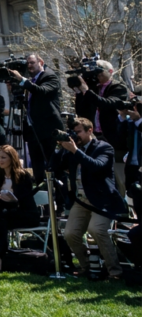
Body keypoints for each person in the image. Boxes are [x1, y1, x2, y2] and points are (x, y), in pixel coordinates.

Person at [56, 117, 128, 280]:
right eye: (74, 132)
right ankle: (88, 266)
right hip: (81, 200)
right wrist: (59, 148)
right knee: (70, 233)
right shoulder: (74, 149)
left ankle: (115, 271)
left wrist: (75, 151)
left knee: (97, 230)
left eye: (79, 132)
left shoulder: (104, 147)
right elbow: (55, 167)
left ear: (90, 131)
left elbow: (97, 166)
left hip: (102, 200)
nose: (76, 136)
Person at [71, 60, 130, 195]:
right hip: (95, 137)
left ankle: (121, 206)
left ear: (110, 72)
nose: (97, 75)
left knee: (118, 176)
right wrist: (80, 91)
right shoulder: (93, 88)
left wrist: (87, 90)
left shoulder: (118, 87)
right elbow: (81, 111)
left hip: (114, 138)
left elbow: (107, 104)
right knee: (97, 171)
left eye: (100, 71)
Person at [8, 53, 64, 183]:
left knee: (54, 167)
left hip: (48, 130)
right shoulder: (30, 80)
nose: (29, 66)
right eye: (27, 63)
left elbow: (41, 91)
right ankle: (42, 196)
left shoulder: (49, 76)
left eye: (32, 63)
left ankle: (60, 200)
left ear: (41, 62)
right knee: (37, 167)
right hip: (33, 131)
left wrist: (22, 79)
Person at [118, 98, 142, 189]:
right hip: (130, 163)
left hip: (140, 165)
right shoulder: (130, 121)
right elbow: (120, 137)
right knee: (130, 191)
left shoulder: (137, 121)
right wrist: (123, 117)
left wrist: (138, 119)